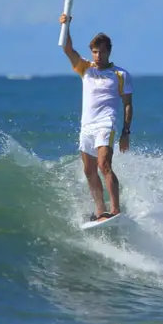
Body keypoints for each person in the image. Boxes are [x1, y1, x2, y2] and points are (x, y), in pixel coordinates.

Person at [59, 13, 133, 222]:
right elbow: (67, 49)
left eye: (101, 52)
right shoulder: (85, 69)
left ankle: (115, 209)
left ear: (108, 52)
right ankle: (101, 211)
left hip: (106, 124)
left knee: (104, 165)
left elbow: (128, 105)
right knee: (89, 170)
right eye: (94, 52)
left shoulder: (120, 74)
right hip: (87, 126)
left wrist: (126, 132)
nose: (97, 56)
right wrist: (66, 26)